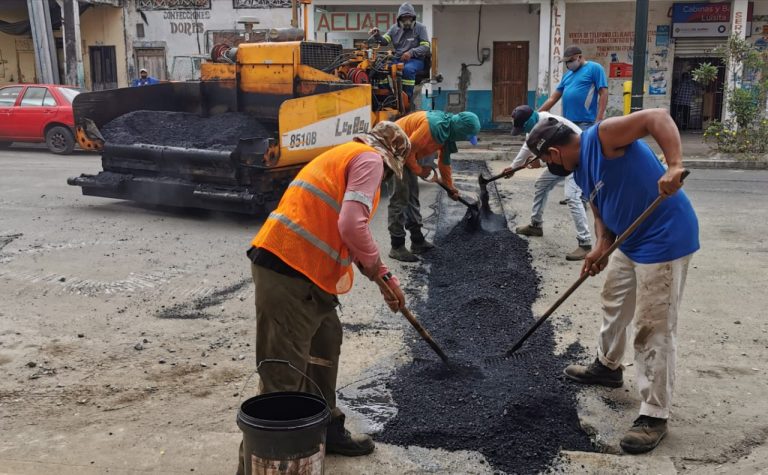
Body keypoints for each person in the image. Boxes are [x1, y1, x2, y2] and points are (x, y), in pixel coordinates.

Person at [237, 122, 411, 472]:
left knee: (325, 344)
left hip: (309, 274)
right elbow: (351, 225)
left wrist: (379, 280)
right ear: (389, 155)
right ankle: (262, 462)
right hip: (287, 271)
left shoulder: (344, 154)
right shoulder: (369, 160)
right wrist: (384, 275)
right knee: (282, 376)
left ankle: (325, 430)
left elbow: (341, 230)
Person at [524, 109, 699, 454]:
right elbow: (599, 208)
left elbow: (657, 118)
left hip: (663, 239)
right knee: (614, 301)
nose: (549, 166)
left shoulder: (601, 137)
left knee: (653, 326)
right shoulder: (580, 172)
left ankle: (654, 415)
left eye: (545, 160)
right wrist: (601, 245)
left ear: (554, 153)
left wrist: (674, 164)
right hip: (627, 242)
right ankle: (607, 367)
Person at [388, 110, 480, 262]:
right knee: (400, 197)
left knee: (412, 196)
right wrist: (419, 171)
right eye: (466, 137)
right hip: (396, 150)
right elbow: (407, 152)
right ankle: (396, 246)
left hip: (408, 152)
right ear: (460, 131)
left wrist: (450, 188)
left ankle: (417, 241)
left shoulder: (448, 132)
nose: (464, 140)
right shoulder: (433, 127)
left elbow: (444, 163)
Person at [505, 105, 593, 261]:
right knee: (542, 185)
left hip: (579, 158)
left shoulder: (551, 123)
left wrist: (539, 163)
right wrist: (513, 167)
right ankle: (535, 226)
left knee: (572, 196)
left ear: (528, 121)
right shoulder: (535, 128)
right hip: (559, 160)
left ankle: (585, 243)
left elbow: (559, 151)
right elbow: (527, 148)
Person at [369, 3, 430, 100]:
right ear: (399, 18)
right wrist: (377, 35)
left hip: (416, 60)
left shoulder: (420, 28)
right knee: (379, 68)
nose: (407, 20)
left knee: (407, 70)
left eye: (409, 17)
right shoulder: (394, 28)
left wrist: (411, 52)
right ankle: (387, 96)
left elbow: (426, 46)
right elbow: (384, 41)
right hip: (398, 59)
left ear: (413, 17)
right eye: (404, 17)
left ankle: (405, 99)